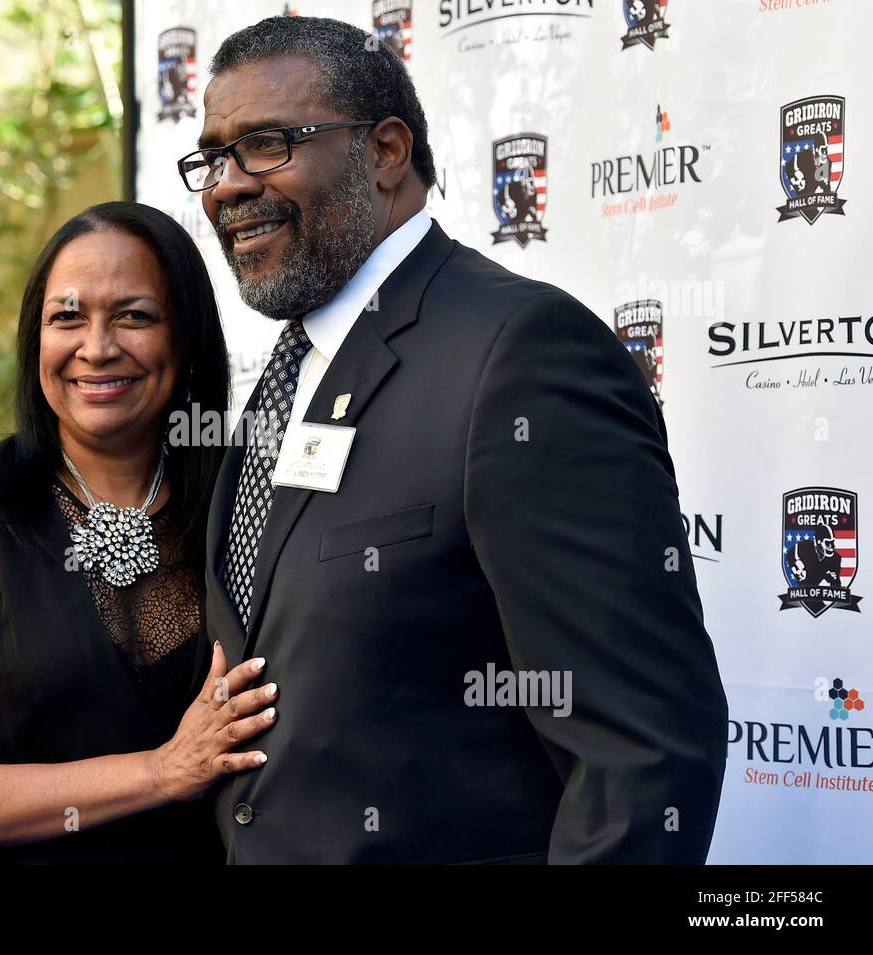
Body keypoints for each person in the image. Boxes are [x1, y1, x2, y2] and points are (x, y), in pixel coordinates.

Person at [178, 16, 729, 863]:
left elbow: (643, 752)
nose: (227, 185)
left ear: (386, 151)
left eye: (266, 144)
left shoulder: (523, 353)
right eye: (214, 157)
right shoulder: (292, 368)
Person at [0, 201, 277, 863]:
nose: (96, 347)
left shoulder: (242, 505)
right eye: (68, 316)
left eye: (134, 316)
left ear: (185, 340)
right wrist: (162, 770)